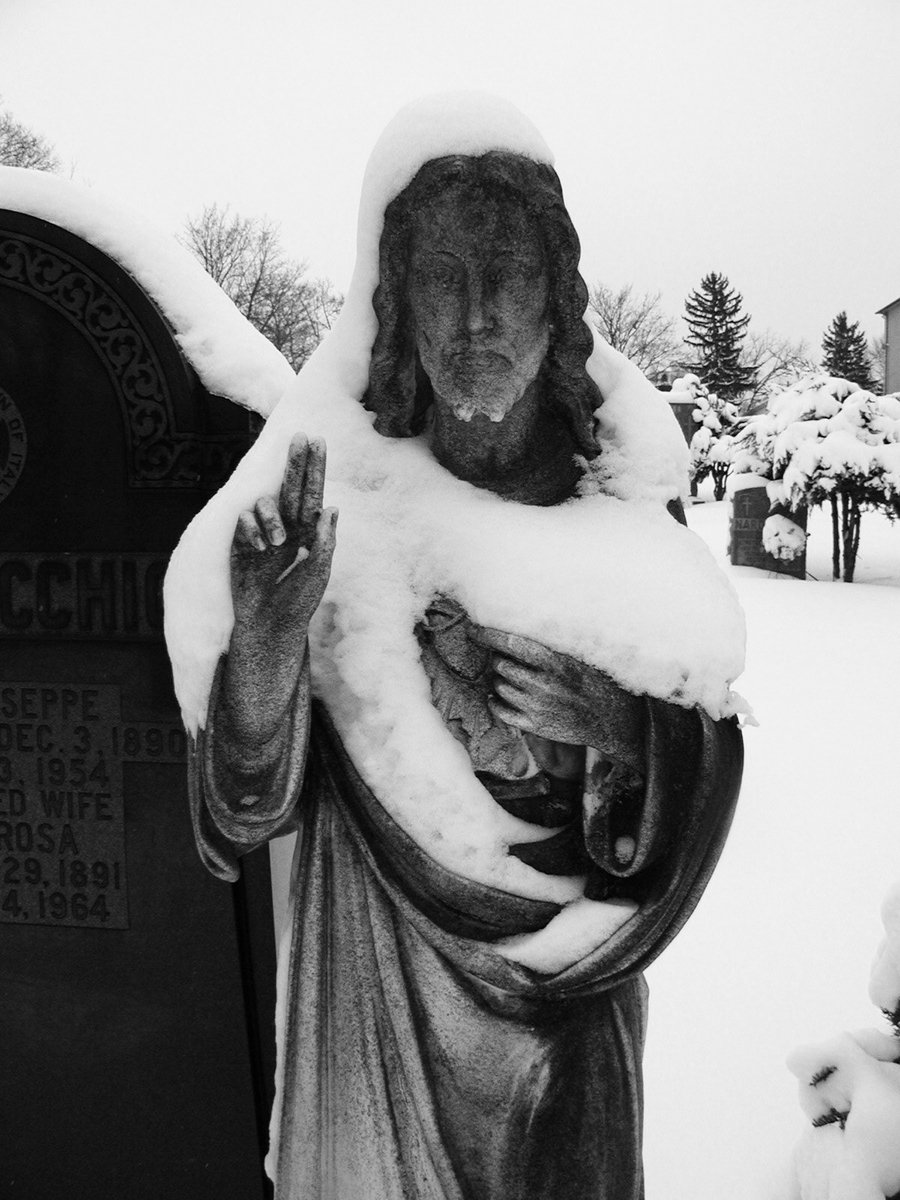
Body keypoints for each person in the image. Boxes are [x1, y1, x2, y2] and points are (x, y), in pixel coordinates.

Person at [165, 94, 744, 1200]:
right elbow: (237, 813)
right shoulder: (328, 493)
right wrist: (269, 650)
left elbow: (706, 742)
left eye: (506, 274)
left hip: (569, 1007)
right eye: (443, 275)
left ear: (557, 299)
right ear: (397, 303)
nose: (477, 314)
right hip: (373, 991)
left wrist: (624, 731)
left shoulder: (621, 489)